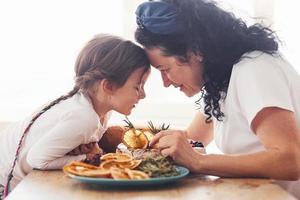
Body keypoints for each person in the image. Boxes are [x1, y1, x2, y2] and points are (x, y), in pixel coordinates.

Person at [134, 0, 300, 198]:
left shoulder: (254, 69)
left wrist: (197, 161)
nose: (165, 83)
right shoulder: (221, 81)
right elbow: (194, 140)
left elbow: (290, 160)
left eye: (165, 69)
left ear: (196, 51)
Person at [0, 34, 150, 198]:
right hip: (7, 186)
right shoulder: (84, 117)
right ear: (108, 86)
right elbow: (37, 160)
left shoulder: (100, 111)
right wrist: (87, 157)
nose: (143, 95)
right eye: (138, 87)